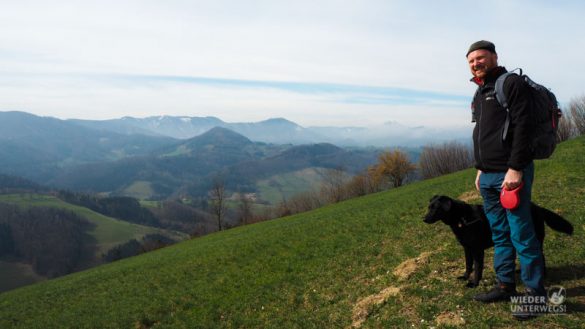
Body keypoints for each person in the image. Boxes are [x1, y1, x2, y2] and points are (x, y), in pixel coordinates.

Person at [466, 40, 546, 320]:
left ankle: (536, 296)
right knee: (499, 233)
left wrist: (515, 167)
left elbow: (523, 125)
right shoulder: (480, 91)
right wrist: (479, 169)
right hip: (487, 176)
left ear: (494, 57)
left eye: (480, 57)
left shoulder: (509, 83)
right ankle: (505, 285)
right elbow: (483, 134)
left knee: (522, 233)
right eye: (471, 60)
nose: (476, 62)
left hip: (510, 174)